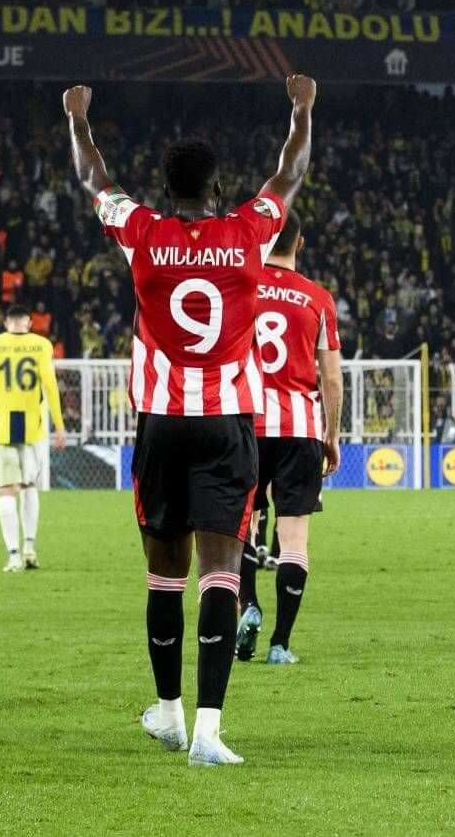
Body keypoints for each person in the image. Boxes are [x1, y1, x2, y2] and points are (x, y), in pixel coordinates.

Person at [65, 73, 313, 766]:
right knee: (222, 574)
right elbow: (291, 170)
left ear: (166, 186)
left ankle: (169, 712)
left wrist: (79, 120)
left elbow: (93, 178)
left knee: (164, 575)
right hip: (228, 421)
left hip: (162, 423)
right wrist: (302, 107)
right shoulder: (246, 233)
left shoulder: (141, 231)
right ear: (215, 186)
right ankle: (208, 730)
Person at [235, 210, 342, 665]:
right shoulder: (318, 298)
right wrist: (331, 436)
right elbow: (332, 380)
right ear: (300, 244)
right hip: (300, 430)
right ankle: (280, 643)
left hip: (245, 424)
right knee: (294, 540)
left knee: (241, 526)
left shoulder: (240, 288)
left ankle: (249, 605)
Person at [0, 304, 66, 571]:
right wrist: (60, 425)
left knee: (6, 490)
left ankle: (13, 556)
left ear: (6, 323)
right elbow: (51, 386)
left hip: (2, 428)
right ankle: (30, 549)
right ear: (29, 323)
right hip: (34, 428)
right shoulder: (42, 345)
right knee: (30, 486)